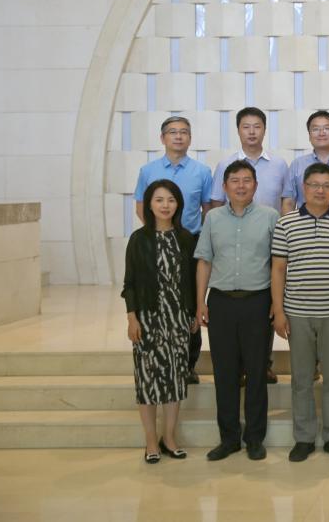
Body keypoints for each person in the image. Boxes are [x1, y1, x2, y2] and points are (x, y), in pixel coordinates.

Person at [271, 163, 329, 462]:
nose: (320, 190)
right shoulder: (286, 224)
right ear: (303, 188)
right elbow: (278, 269)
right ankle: (304, 438)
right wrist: (279, 311)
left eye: (327, 186)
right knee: (301, 378)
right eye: (314, 185)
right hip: (298, 313)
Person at [194, 160, 279, 461]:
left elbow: (278, 264)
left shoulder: (270, 216)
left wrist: (276, 301)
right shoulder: (213, 218)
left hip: (258, 302)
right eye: (234, 180)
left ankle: (254, 438)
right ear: (225, 186)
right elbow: (204, 260)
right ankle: (228, 438)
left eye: (246, 180)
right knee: (225, 372)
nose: (241, 186)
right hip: (221, 303)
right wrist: (200, 301)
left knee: (256, 372)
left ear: (256, 185)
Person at [210, 107, 289, 384]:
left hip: (268, 240)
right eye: (246, 126)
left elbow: (286, 202)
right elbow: (215, 204)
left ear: (265, 129)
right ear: (238, 130)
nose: (252, 132)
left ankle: (262, 363)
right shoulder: (225, 164)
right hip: (234, 240)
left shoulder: (279, 165)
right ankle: (239, 366)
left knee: (265, 302)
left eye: (257, 126)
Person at [122, 179, 197, 464]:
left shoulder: (186, 238)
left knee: (175, 379)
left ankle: (169, 438)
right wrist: (132, 318)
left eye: (171, 200)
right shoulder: (139, 240)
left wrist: (192, 313)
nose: (165, 205)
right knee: (148, 381)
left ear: (178, 204)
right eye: (159, 200)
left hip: (178, 319)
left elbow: (192, 282)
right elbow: (129, 283)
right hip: (148, 319)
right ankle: (151, 441)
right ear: (149, 205)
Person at [134, 115, 212, 385]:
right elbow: (140, 207)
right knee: (158, 299)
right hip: (156, 242)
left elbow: (208, 210)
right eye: (172, 132)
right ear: (162, 137)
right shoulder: (148, 171)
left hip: (190, 245)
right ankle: (158, 355)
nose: (178, 136)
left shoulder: (202, 171)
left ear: (190, 138)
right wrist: (158, 233)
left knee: (190, 301)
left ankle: (188, 363)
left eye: (184, 132)